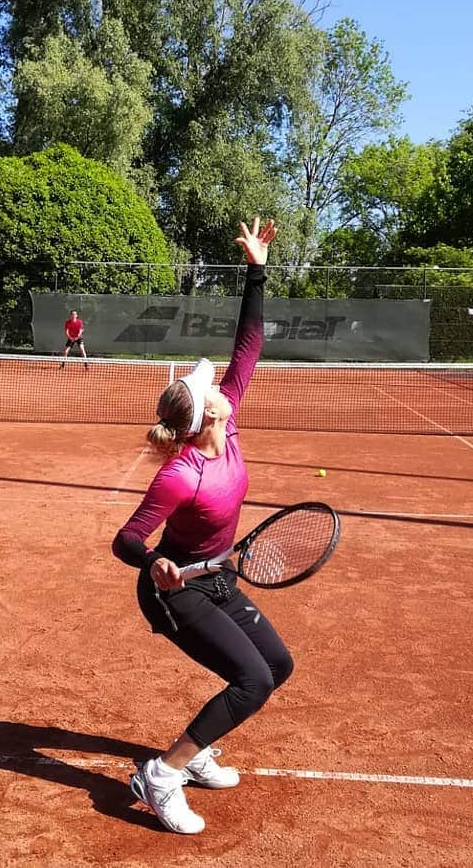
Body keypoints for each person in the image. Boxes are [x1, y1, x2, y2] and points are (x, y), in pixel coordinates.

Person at [111, 217, 292, 835]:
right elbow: (126, 540)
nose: (219, 385)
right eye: (209, 386)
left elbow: (249, 344)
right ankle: (160, 775)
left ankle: (201, 748)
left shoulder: (228, 420)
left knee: (277, 666)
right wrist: (153, 563)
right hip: (172, 589)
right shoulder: (179, 475)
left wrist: (256, 268)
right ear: (202, 414)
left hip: (214, 579)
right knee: (251, 678)